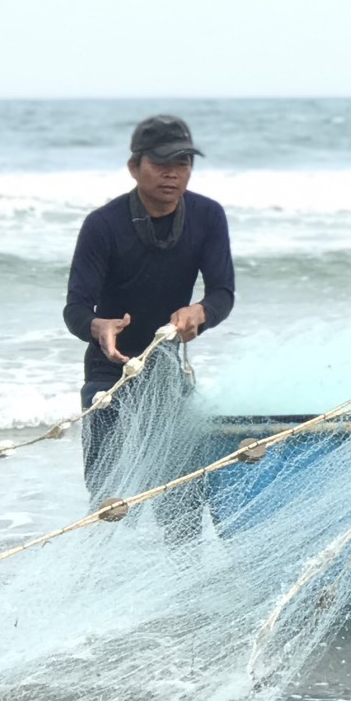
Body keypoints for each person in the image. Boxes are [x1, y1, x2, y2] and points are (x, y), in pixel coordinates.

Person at [62, 113, 235, 484]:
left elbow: (223, 293)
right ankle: (108, 540)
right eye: (160, 163)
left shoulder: (208, 217)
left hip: (168, 370)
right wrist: (98, 326)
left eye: (182, 163)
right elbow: (75, 308)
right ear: (134, 167)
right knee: (109, 496)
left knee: (180, 496)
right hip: (110, 372)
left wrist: (200, 311)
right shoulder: (103, 225)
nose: (172, 173)